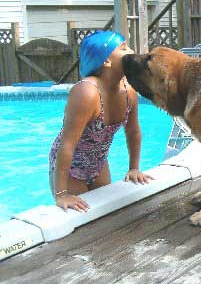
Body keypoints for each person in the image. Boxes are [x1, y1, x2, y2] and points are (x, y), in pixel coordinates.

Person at [49, 30, 152, 212]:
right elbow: (67, 145)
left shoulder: (129, 91)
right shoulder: (86, 93)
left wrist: (134, 168)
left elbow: (133, 131)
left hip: (98, 163)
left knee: (107, 214)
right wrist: (61, 194)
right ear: (106, 61)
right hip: (71, 168)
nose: (131, 50)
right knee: (82, 218)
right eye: (123, 48)